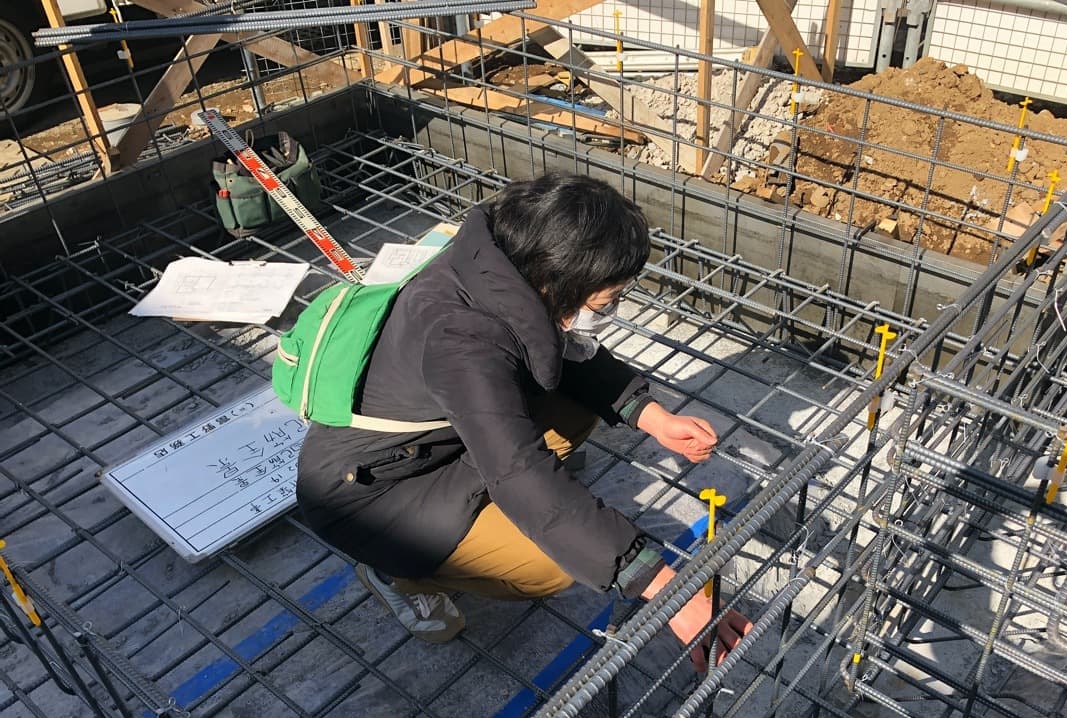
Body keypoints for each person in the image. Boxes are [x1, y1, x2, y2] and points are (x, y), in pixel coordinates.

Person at [296, 173, 751, 671]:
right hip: (372, 498)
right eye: (608, 298)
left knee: (570, 405)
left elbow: (560, 351)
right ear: (558, 280)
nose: (614, 308)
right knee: (548, 566)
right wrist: (667, 589)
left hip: (436, 445)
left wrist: (649, 414)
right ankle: (396, 573)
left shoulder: (499, 264)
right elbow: (519, 471)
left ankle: (507, 512)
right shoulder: (462, 338)